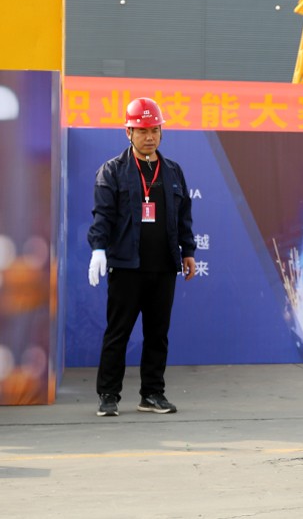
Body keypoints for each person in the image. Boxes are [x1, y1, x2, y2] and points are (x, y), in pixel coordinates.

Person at [87, 97, 196, 417]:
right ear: (129, 133)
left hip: (164, 266)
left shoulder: (172, 171)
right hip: (126, 267)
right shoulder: (113, 171)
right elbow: (103, 215)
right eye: (142, 130)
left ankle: (152, 394)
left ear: (161, 132)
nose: (149, 137)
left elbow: (184, 216)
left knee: (157, 334)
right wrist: (98, 249)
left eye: (154, 130)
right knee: (118, 333)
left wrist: (188, 252)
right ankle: (108, 395)